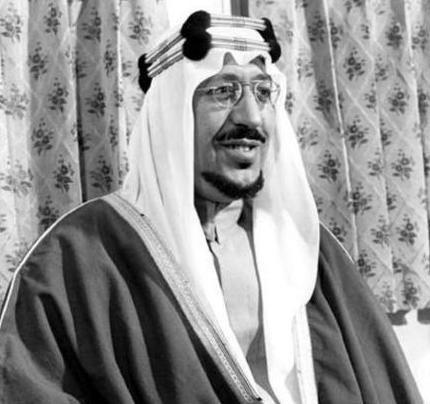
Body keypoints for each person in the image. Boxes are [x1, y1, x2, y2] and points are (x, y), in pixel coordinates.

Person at [0, 11, 422, 404]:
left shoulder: (310, 250)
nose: (251, 117)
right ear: (171, 115)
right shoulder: (79, 256)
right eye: (222, 91)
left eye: (263, 92)